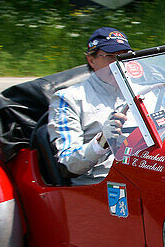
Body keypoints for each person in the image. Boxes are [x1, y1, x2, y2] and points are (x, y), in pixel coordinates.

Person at [47, 26, 133, 183]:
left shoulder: (144, 90)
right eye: (111, 57)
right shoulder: (69, 98)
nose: (119, 63)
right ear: (91, 60)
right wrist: (101, 141)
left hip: (144, 175)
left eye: (124, 56)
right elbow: (68, 163)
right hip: (99, 184)